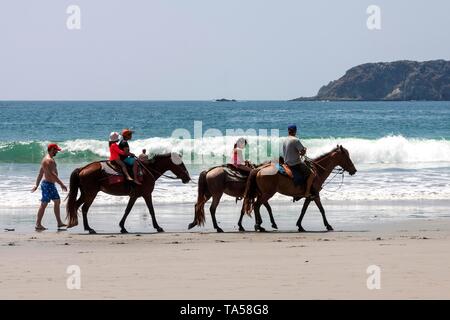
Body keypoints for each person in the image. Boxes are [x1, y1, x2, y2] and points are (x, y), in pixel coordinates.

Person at [31, 143, 68, 231]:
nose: (57, 152)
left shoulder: (46, 159)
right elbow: (52, 174)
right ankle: (38, 224)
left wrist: (36, 184)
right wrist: (61, 184)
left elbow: (41, 173)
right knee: (44, 204)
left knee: (57, 201)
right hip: (48, 185)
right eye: (56, 150)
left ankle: (59, 222)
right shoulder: (49, 161)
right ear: (52, 149)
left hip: (48, 184)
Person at [282, 124, 316, 198]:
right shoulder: (295, 140)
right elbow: (302, 152)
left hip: (286, 163)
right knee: (312, 174)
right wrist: (304, 150)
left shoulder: (284, 140)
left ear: (288, 131)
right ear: (295, 131)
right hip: (295, 164)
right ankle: (307, 192)